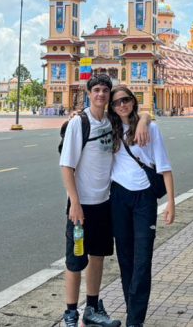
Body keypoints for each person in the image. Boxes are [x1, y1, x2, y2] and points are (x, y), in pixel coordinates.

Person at [59, 75, 150, 327]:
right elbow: (66, 166)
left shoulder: (111, 122)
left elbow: (138, 115)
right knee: (75, 259)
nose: (101, 94)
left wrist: (144, 118)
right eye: (96, 90)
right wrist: (74, 203)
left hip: (104, 202)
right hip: (81, 204)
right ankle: (70, 312)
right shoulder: (80, 122)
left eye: (105, 91)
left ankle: (91, 307)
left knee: (98, 255)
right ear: (89, 93)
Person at [108, 85, 174, 327]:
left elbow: (165, 166)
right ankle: (132, 312)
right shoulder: (110, 128)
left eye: (126, 100)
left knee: (143, 259)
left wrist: (171, 204)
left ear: (133, 101)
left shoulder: (151, 128)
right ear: (112, 108)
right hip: (119, 197)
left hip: (145, 198)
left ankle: (135, 320)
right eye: (116, 103)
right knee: (125, 258)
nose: (122, 105)